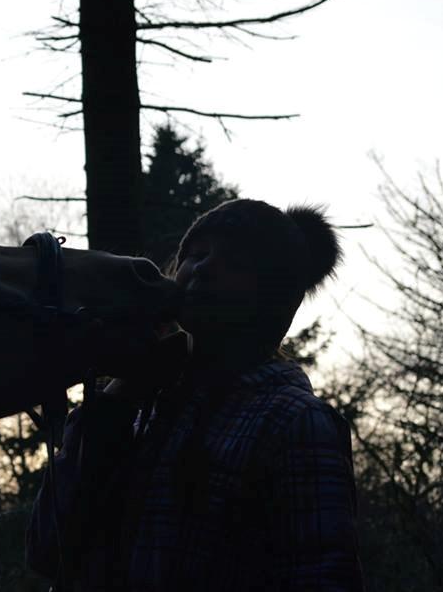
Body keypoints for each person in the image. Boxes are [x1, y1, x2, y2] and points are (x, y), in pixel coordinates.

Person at [26, 199, 363, 591]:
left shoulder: (294, 420)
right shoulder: (137, 408)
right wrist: (117, 399)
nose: (203, 267)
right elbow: (47, 551)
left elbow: (323, 576)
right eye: (196, 254)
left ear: (273, 298)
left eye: (235, 262)